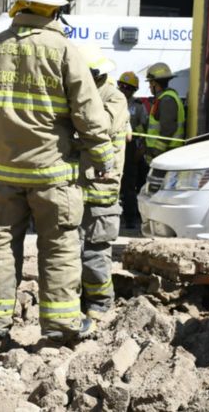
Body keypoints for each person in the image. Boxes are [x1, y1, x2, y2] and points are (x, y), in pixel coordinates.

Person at [0, 0, 115, 344]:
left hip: (0, 174)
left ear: (19, 5)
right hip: (52, 175)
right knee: (59, 247)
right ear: (56, 7)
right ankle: (61, 326)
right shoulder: (64, 51)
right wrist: (102, 159)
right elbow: (89, 114)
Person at [75, 45, 129, 320]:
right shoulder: (85, 95)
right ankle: (78, 304)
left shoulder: (113, 98)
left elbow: (99, 127)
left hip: (101, 189)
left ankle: (100, 305)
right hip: (75, 188)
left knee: (95, 254)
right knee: (70, 253)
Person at [117, 71, 147, 229]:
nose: (124, 89)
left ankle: (130, 219)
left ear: (133, 90)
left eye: (128, 87)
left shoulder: (138, 107)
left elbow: (144, 131)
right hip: (114, 145)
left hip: (130, 149)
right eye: (121, 86)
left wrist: (141, 148)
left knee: (129, 185)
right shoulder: (111, 101)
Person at [141, 62, 185, 163]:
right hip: (165, 152)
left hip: (166, 153)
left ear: (154, 83)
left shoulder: (167, 100)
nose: (149, 87)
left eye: (150, 83)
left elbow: (168, 129)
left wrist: (156, 152)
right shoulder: (163, 98)